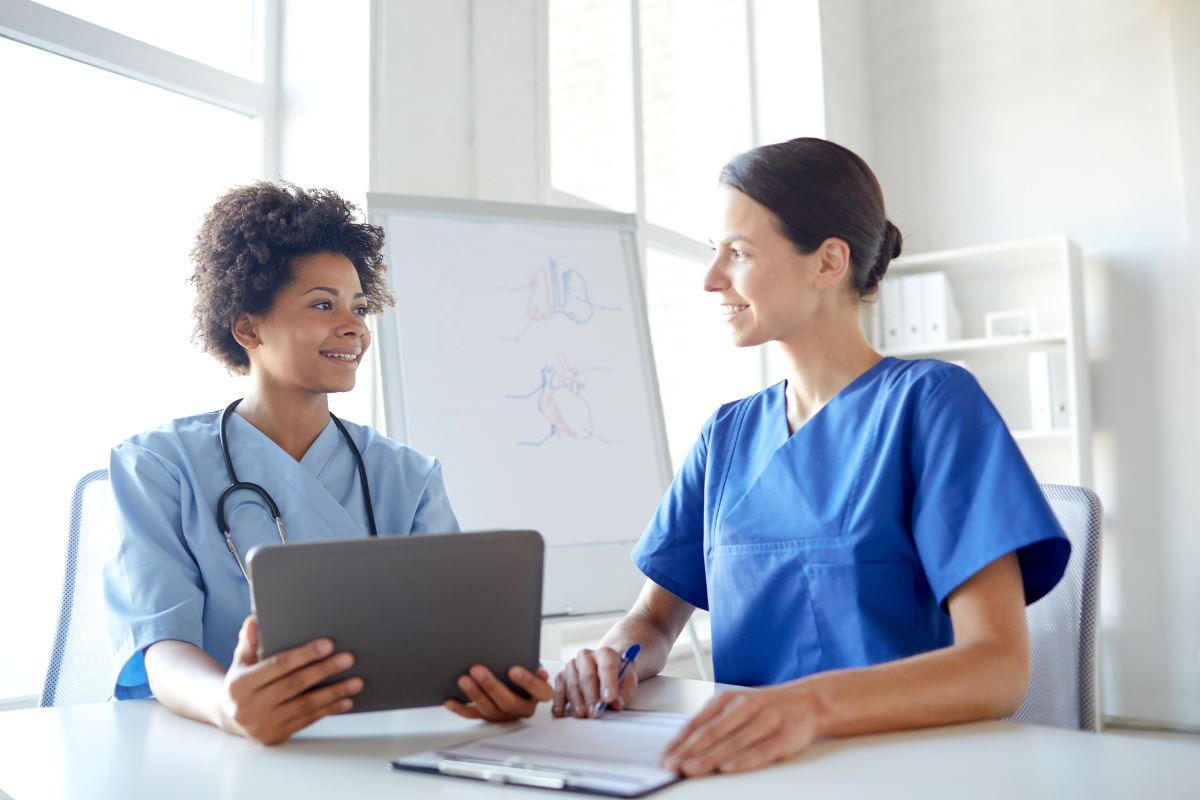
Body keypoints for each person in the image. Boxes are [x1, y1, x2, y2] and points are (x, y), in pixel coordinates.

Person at [551, 138, 1071, 775]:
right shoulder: (727, 435)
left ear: (828, 262)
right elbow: (653, 619)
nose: (711, 278)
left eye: (738, 253)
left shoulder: (932, 405)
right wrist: (611, 655)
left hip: (909, 773)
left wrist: (808, 707)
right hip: (747, 772)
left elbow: (998, 667)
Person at [104, 183, 553, 744]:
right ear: (247, 328)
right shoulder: (159, 465)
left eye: (359, 307)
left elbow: (449, 643)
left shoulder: (407, 476)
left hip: (375, 747)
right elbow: (160, 646)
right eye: (323, 304)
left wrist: (489, 688)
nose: (355, 326)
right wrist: (228, 708)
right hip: (209, 748)